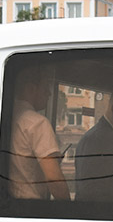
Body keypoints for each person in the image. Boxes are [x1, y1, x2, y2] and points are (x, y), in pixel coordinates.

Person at [7, 72, 70, 201]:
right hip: (31, 207)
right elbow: (54, 180)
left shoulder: (5, 119)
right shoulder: (38, 123)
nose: (49, 93)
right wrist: (69, 209)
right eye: (45, 88)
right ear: (30, 89)